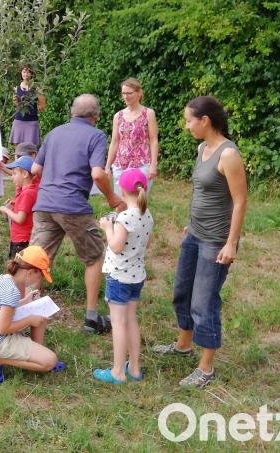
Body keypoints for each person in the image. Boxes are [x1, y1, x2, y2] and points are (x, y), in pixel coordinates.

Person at [152, 96, 247, 389]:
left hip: (215, 240)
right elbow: (201, 191)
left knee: (204, 302)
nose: (186, 125)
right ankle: (183, 345)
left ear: (205, 120)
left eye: (189, 120)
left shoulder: (228, 155)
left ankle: (206, 369)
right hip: (194, 233)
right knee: (181, 291)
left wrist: (231, 243)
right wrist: (191, 223)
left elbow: (240, 200)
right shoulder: (201, 148)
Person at [29, 94, 126, 335]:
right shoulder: (96, 136)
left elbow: (34, 169)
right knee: (94, 256)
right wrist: (113, 198)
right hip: (73, 206)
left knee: (36, 260)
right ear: (96, 116)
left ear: (72, 113)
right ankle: (91, 319)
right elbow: (97, 174)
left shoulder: (53, 133)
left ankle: (26, 314)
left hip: (44, 205)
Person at [92, 169, 153, 384]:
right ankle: (134, 369)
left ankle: (118, 372)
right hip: (136, 275)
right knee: (131, 320)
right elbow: (147, 243)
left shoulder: (124, 217)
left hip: (119, 276)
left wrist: (108, 227)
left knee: (118, 323)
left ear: (121, 189)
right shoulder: (147, 215)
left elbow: (116, 247)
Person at [0, 246, 64, 385]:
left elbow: (6, 309)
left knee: (39, 314)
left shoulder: (4, 279)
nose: (39, 279)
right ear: (30, 273)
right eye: (40, 275)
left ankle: (35, 354)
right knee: (50, 361)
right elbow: (3, 329)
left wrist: (26, 300)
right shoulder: (12, 291)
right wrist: (30, 319)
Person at [105, 77, 160, 193]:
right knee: (121, 203)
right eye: (123, 93)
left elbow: (154, 140)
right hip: (120, 165)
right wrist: (107, 166)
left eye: (129, 93)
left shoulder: (148, 114)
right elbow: (115, 141)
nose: (125, 96)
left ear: (139, 93)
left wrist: (153, 165)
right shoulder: (118, 116)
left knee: (139, 204)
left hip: (142, 165)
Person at [0, 155, 39, 258]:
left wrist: (6, 210)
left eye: (14, 173)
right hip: (21, 238)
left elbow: (20, 219)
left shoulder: (27, 194)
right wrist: (14, 206)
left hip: (21, 241)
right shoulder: (28, 191)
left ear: (25, 174)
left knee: (16, 269)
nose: (12, 176)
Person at [10, 65, 46, 147]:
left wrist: (32, 110)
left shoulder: (36, 88)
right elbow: (15, 105)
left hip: (32, 121)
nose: (25, 74)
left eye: (28, 72)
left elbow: (42, 105)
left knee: (31, 148)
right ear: (21, 73)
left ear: (31, 74)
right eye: (24, 72)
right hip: (19, 120)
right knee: (18, 148)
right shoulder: (16, 89)